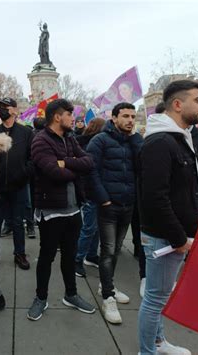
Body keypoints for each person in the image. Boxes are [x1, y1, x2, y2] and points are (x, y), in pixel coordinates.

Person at [138, 80, 198, 355]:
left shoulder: (178, 139)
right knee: (155, 300)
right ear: (178, 105)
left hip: (173, 236)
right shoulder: (160, 143)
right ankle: (148, 351)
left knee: (159, 297)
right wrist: (179, 238)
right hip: (165, 239)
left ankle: (158, 342)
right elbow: (155, 197)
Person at [27, 99, 96, 321]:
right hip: (51, 211)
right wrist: (73, 166)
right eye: (69, 114)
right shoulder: (40, 141)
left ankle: (71, 294)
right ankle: (41, 298)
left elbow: (89, 163)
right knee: (46, 256)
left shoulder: (69, 139)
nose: (72, 118)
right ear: (58, 117)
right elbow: (54, 173)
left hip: (74, 210)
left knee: (69, 255)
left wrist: (65, 161)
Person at [86, 102, 143, 324]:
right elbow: (91, 172)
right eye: (126, 116)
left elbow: (142, 166)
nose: (130, 120)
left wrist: (137, 141)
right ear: (114, 117)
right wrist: (104, 199)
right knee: (108, 250)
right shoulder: (100, 140)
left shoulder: (133, 141)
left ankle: (105, 285)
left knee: (117, 249)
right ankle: (108, 297)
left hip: (128, 204)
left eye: (133, 116)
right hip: (108, 205)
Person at [0, 97, 34, 270]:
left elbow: (32, 158)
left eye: (6, 107)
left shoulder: (25, 133)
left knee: (18, 222)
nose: (2, 110)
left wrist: (24, 174)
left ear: (15, 111)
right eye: (0, 107)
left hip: (19, 186)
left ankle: (20, 254)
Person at [73, 117, 106, 278]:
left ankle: (91, 255)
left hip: (101, 190)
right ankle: (77, 259)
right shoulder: (85, 143)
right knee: (89, 227)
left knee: (97, 227)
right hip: (90, 190)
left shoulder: (102, 142)